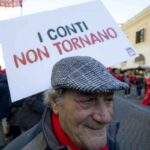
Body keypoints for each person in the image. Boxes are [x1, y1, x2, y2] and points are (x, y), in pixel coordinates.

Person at [3, 56, 128, 150]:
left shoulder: (109, 135)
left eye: (108, 100)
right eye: (88, 100)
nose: (106, 117)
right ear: (55, 102)